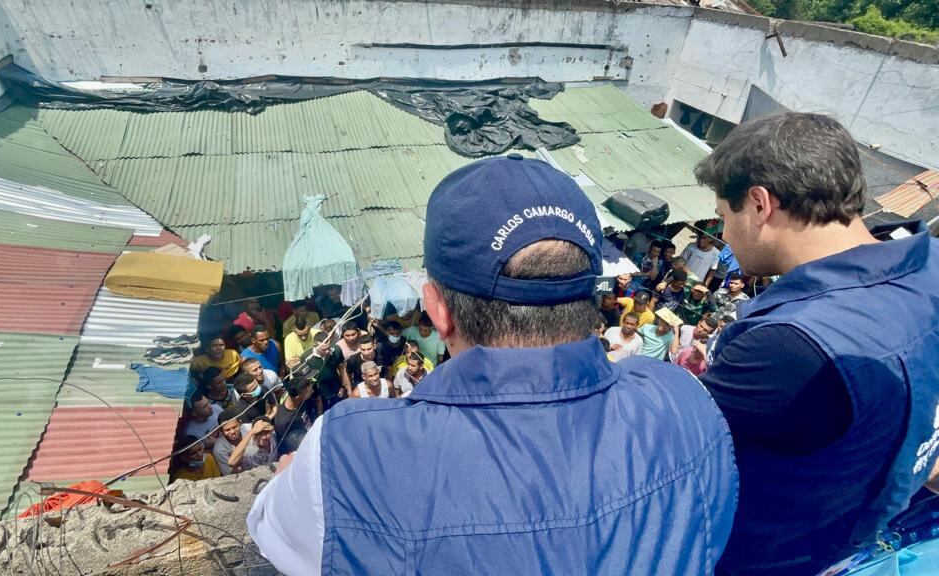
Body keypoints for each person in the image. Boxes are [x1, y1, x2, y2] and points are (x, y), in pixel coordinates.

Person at [248, 154, 737, 575]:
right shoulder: (683, 399)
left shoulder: (350, 451)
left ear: (437, 311)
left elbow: (270, 529)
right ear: (594, 293)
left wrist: (297, 475)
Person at [694, 112, 939, 575]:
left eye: (724, 215)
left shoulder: (787, 345)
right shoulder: (931, 268)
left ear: (760, 204)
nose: (723, 233)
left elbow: (664, 447)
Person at [212, 407, 275, 475]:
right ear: (221, 431)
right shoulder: (219, 449)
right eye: (227, 430)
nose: (232, 432)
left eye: (234, 427)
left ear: (240, 423)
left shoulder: (248, 428)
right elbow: (230, 473)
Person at [272, 366, 317, 456]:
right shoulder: (283, 422)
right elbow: (287, 446)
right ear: (297, 397)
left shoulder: (303, 400)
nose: (312, 391)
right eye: (309, 391)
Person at [301, 331, 346, 412]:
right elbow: (305, 379)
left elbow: (342, 369)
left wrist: (343, 387)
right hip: (318, 395)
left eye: (328, 347)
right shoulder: (306, 358)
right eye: (323, 349)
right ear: (315, 346)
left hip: (336, 391)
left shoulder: (336, 350)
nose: (327, 351)